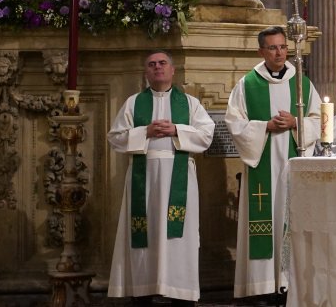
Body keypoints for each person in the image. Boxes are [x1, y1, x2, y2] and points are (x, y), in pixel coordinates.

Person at [107, 51, 214, 307]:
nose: (157, 68)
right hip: (144, 179)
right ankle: (142, 291)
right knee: (147, 234)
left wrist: (176, 129)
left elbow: (207, 135)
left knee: (178, 237)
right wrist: (146, 131)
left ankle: (180, 293)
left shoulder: (189, 103)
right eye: (152, 64)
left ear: (172, 70)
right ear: (146, 72)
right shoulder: (134, 102)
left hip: (179, 178)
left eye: (162, 63)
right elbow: (115, 137)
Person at [225, 26, 320, 299]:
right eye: (273, 48)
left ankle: (290, 282)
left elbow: (318, 120)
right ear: (261, 51)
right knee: (266, 217)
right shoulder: (247, 84)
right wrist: (264, 126)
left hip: (292, 163)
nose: (279, 53)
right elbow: (234, 123)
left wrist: (295, 123)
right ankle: (261, 285)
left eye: (282, 47)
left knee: (291, 216)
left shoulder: (301, 82)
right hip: (263, 161)